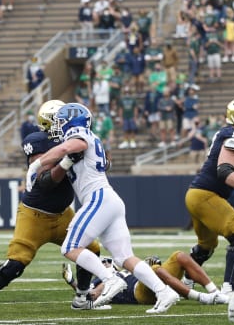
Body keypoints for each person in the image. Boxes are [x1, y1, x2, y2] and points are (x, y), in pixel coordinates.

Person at [25, 102, 180, 313]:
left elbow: (72, 147)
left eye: (61, 121)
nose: (58, 126)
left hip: (98, 198)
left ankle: (110, 279)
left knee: (70, 247)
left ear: (73, 121)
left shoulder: (79, 136)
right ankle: (163, 292)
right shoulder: (89, 136)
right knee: (124, 257)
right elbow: (101, 161)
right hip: (109, 199)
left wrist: (35, 166)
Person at [0, 100, 101, 314]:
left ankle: (82, 297)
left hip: (64, 214)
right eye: (62, 117)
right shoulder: (38, 141)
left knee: (91, 249)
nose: (66, 121)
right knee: (17, 262)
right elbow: (45, 180)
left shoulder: (75, 139)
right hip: (35, 215)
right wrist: (67, 161)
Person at [182, 99, 234, 322]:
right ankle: (228, 287)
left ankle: (185, 281)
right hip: (206, 195)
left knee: (206, 247)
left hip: (198, 194)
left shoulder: (230, 133)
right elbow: (224, 171)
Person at [64, 253, 228, 309]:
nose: (105, 263)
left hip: (150, 284)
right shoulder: (100, 280)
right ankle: (200, 297)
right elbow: (90, 295)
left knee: (181, 257)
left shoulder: (122, 269)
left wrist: (151, 261)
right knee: (155, 271)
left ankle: (215, 292)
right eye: (102, 262)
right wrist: (72, 281)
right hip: (139, 294)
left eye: (106, 261)